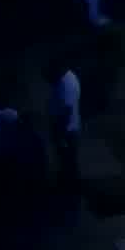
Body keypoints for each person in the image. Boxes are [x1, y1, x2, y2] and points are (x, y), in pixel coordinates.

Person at [48, 59, 81, 188]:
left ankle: (70, 188)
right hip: (68, 129)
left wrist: (60, 135)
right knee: (68, 160)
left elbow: (67, 111)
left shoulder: (67, 84)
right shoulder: (67, 78)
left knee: (67, 161)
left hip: (67, 131)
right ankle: (69, 186)